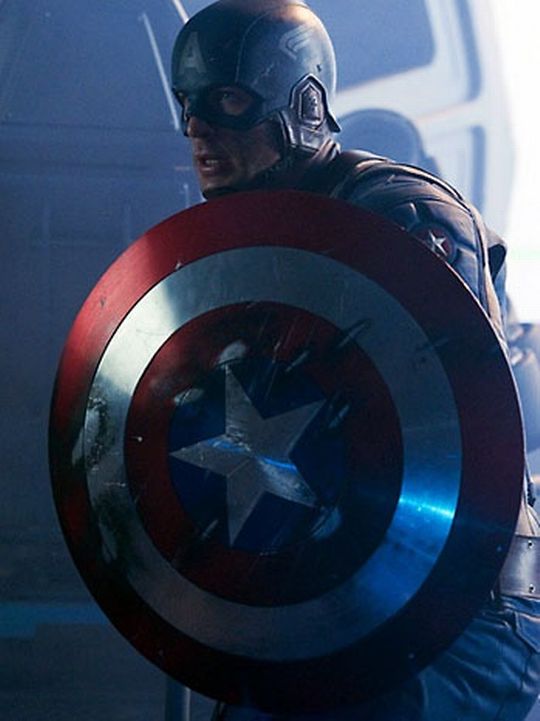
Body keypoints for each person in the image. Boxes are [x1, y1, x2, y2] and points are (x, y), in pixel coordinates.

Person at [170, 1, 540, 719]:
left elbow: (444, 433)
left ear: (303, 105)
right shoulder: (256, 240)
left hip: (457, 617)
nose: (197, 127)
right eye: (187, 103)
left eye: (228, 100)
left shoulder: (399, 218)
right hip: (345, 599)